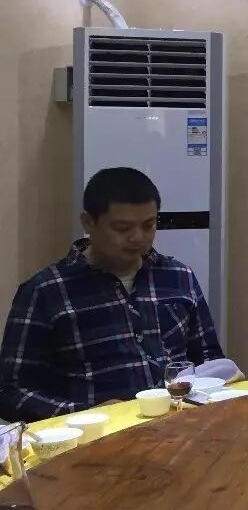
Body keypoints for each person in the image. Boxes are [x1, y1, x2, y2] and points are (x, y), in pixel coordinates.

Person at [0, 167, 224, 422]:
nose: (137, 238)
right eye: (122, 228)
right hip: (96, 435)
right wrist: (87, 412)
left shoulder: (178, 277)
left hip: (181, 425)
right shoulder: (46, 291)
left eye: (149, 225)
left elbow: (210, 360)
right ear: (88, 222)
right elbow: (11, 392)